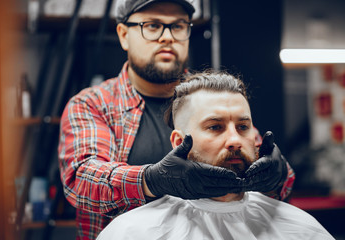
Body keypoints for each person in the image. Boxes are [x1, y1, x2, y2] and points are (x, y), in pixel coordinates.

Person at [58, 0, 295, 239]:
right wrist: (152, 181)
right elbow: (81, 179)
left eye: (179, 26)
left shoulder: (214, 97)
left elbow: (272, 176)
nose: (167, 37)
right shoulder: (93, 105)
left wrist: (276, 174)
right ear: (123, 35)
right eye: (152, 26)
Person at [96, 71, 333, 240]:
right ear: (180, 143)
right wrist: (152, 179)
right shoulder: (133, 232)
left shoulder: (297, 226)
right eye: (215, 127)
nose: (235, 141)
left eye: (243, 127)